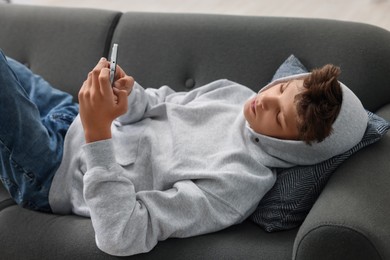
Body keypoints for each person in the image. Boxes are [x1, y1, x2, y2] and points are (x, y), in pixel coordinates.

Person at [0, 50, 368, 256]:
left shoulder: (237, 185)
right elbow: (161, 103)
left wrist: (98, 136)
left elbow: (123, 234)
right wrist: (129, 97)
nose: (265, 98)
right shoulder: (236, 95)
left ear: (294, 148)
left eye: (279, 115)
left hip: (52, 171)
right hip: (70, 114)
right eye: (283, 88)